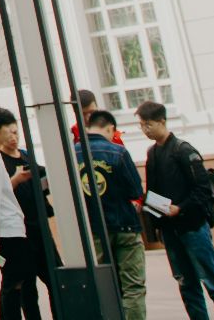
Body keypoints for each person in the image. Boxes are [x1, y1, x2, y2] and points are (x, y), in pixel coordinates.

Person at [138, 100, 214, 320]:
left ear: (162, 121)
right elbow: (152, 192)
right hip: (170, 231)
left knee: (213, 282)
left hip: (193, 227)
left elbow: (202, 190)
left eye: (149, 124)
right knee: (186, 284)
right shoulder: (152, 154)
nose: (145, 129)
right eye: (142, 125)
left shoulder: (183, 150)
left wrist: (179, 208)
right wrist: (155, 213)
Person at [0, 107, 44, 320]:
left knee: (14, 284)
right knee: (13, 285)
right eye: (9, 130)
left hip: (5, 230)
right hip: (8, 231)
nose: (13, 135)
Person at [78, 108, 147, 320]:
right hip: (125, 226)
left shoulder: (72, 152)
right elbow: (136, 191)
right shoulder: (118, 152)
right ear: (110, 128)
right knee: (133, 287)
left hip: (94, 231)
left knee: (102, 286)